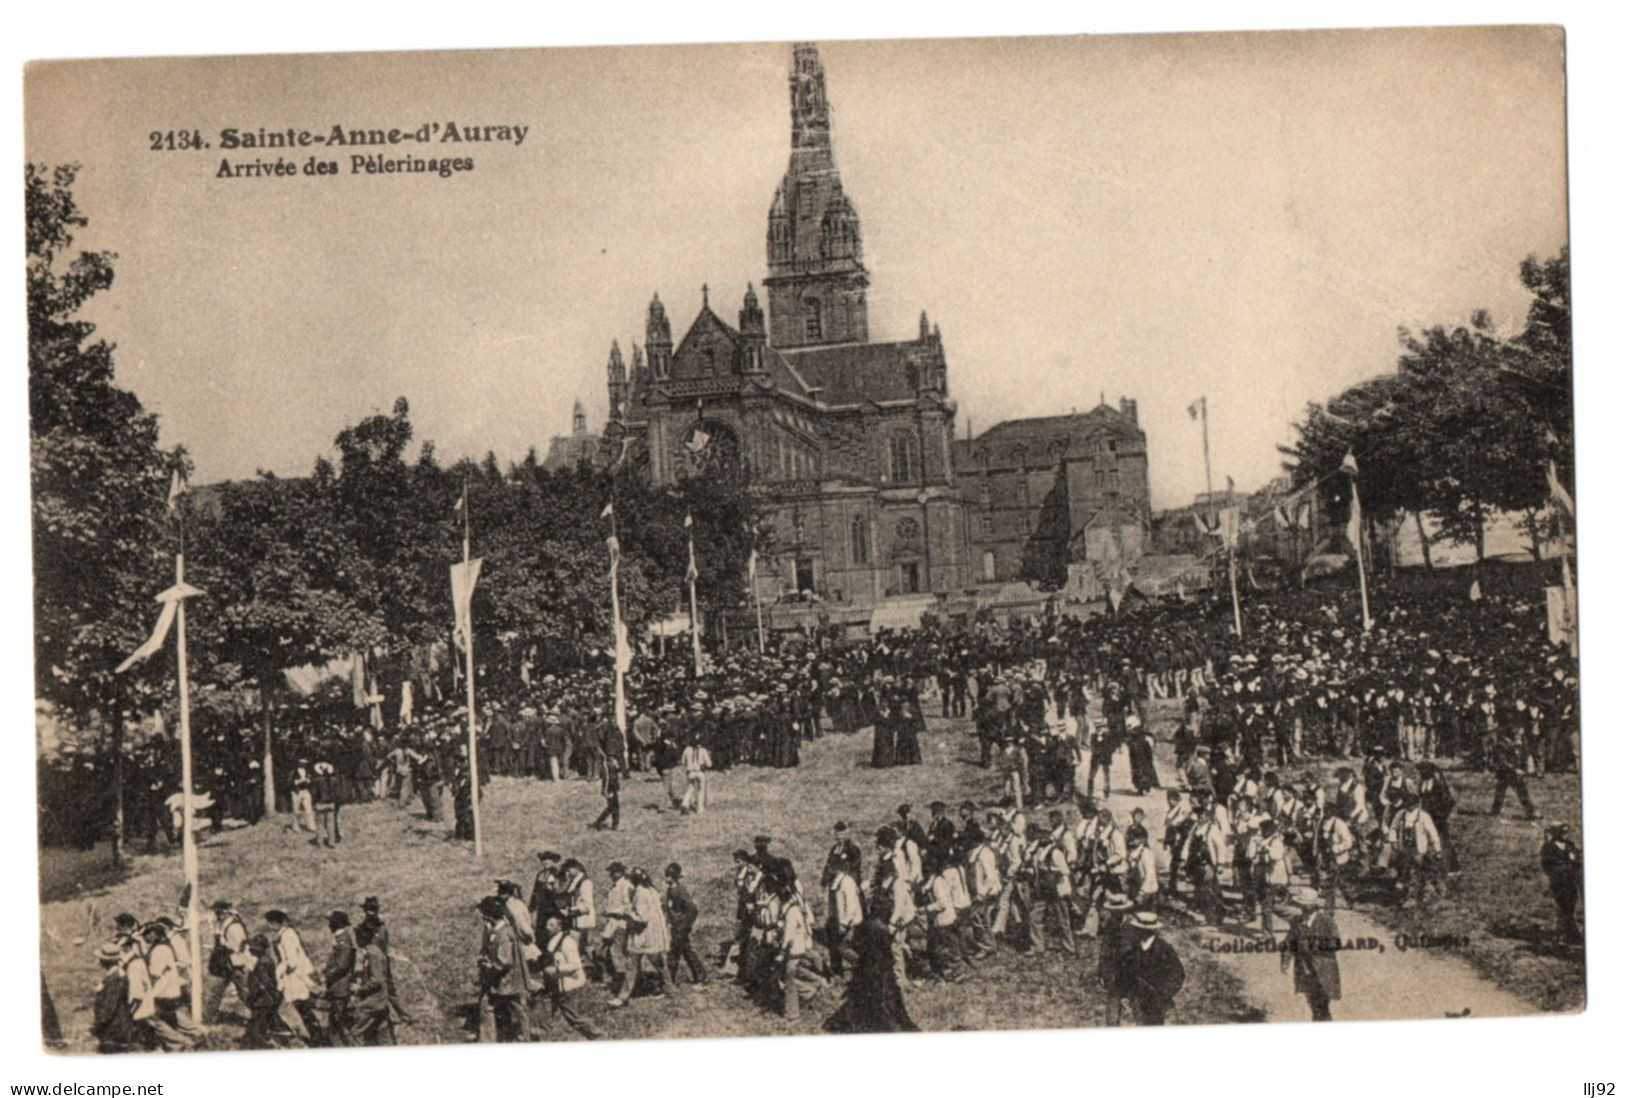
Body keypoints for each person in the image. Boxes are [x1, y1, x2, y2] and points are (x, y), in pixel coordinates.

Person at [822, 888, 916, 1034]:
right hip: (883, 974)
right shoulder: (885, 930)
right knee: (887, 1004)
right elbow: (888, 954)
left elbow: (847, 945)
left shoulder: (863, 927)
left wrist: (859, 960)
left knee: (861, 1001)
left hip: (865, 972)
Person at [1280, 885, 1341, 1021]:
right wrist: (1285, 962)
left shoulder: (1327, 921)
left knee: (1322, 1005)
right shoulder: (1297, 921)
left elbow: (1336, 944)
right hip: (1304, 969)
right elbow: (1289, 942)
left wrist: (1312, 945)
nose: (1302, 908)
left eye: (1305, 905)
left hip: (1324, 970)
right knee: (1313, 1003)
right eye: (1301, 905)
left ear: (1313, 906)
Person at [265, 910, 323, 1044]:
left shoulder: (287, 935)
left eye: (270, 923)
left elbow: (292, 961)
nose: (269, 926)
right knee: (303, 1007)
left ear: (275, 922)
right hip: (293, 976)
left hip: (296, 977)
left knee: (303, 1006)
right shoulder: (285, 934)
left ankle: (318, 1037)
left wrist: (281, 972)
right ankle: (316, 1035)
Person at [477, 895, 528, 1042]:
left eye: (483, 914)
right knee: (489, 1006)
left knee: (515, 1009)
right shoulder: (495, 930)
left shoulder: (503, 934)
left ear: (490, 915)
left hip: (506, 980)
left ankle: (523, 1038)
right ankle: (490, 1040)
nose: (482, 917)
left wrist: (488, 965)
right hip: (501, 980)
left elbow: (505, 961)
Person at [1118, 911, 1184, 1025]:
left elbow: (1178, 974)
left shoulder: (1164, 949)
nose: (1136, 932)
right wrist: (1126, 995)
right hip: (1138, 1000)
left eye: (1139, 929)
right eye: (1136, 929)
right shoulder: (1134, 948)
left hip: (1158, 1002)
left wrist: (1164, 994)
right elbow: (1126, 973)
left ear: (1149, 931)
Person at [539, 913, 600, 1039]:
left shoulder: (567, 943)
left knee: (572, 1015)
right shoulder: (552, 940)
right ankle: (545, 1035)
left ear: (559, 927)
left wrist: (556, 969)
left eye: (551, 925)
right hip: (554, 984)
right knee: (546, 1011)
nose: (547, 927)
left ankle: (595, 1033)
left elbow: (575, 965)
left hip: (565, 984)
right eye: (547, 924)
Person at [359, 895, 414, 1024]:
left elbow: (385, 944)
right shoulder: (364, 927)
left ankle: (404, 1015)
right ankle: (383, 1016)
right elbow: (363, 945)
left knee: (390, 988)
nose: (371, 911)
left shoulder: (381, 927)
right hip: (373, 962)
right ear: (365, 910)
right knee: (380, 988)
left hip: (383, 960)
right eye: (369, 909)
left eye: (373, 909)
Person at [622, 868, 671, 1004]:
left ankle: (623, 996)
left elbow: (642, 918)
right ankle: (669, 989)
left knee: (632, 965)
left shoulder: (640, 893)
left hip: (643, 936)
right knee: (659, 963)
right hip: (655, 935)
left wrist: (627, 913)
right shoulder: (652, 890)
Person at [203, 899, 251, 1024]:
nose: (215, 916)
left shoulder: (234, 926)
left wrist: (223, 947)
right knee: (215, 993)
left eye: (217, 913)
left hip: (236, 966)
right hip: (226, 965)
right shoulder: (225, 924)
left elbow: (240, 947)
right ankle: (207, 1020)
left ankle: (262, 1018)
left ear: (223, 913)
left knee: (245, 994)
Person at [349, 924, 397, 1045]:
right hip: (380, 1000)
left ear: (361, 938)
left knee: (355, 1033)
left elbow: (376, 980)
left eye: (357, 937)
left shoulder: (373, 955)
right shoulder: (373, 951)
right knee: (383, 1035)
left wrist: (360, 988)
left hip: (375, 1001)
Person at [663, 863, 709, 988]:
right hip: (676, 927)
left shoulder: (679, 890)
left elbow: (692, 909)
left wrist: (684, 925)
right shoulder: (671, 890)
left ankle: (671, 980)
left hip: (680, 927)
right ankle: (699, 976)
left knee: (675, 953)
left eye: (667, 875)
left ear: (673, 877)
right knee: (684, 951)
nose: (665, 878)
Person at [1539, 823, 1584, 943]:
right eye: (1562, 832)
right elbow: (1546, 865)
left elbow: (1579, 858)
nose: (1565, 835)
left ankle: (1568, 933)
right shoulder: (1549, 847)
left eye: (1566, 832)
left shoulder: (1570, 845)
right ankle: (1569, 934)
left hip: (1571, 879)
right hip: (1558, 880)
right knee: (1564, 906)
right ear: (1555, 833)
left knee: (1571, 904)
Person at [92, 941, 139, 1053]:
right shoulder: (115, 975)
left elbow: (109, 1006)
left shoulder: (115, 979)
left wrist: (99, 1023)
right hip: (117, 1024)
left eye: (101, 959)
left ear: (105, 961)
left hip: (114, 1027)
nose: (99, 962)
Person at [1097, 889, 1135, 1026]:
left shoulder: (1132, 926)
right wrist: (1102, 970)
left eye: (1119, 911)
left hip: (1130, 968)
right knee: (1113, 999)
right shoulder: (1111, 925)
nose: (1116, 914)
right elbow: (1105, 948)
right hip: (1114, 970)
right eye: (1114, 911)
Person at [241, 935, 284, 1050]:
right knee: (262, 1025)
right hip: (266, 999)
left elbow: (265, 984)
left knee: (258, 1027)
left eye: (253, 947)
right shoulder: (266, 960)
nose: (250, 949)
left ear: (258, 949)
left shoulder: (261, 964)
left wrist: (253, 996)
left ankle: (264, 1046)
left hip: (262, 1000)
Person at [323, 910, 358, 1046]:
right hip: (337, 985)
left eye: (330, 923)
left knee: (337, 1020)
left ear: (335, 924)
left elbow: (342, 966)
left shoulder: (343, 941)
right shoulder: (341, 940)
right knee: (337, 1019)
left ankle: (348, 1045)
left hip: (340, 985)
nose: (328, 926)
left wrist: (326, 975)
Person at [680, 734, 712, 814]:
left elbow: (682, 761)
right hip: (700, 772)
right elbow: (709, 764)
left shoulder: (687, 749)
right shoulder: (703, 750)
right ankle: (700, 809)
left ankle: (685, 803)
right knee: (701, 790)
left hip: (690, 772)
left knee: (690, 789)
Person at [591, 755, 622, 831]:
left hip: (613, 789)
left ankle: (603, 822)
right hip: (610, 790)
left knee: (613, 807)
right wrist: (607, 791)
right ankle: (611, 824)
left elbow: (616, 777)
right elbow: (607, 780)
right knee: (613, 807)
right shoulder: (607, 767)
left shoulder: (612, 767)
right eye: (615, 760)